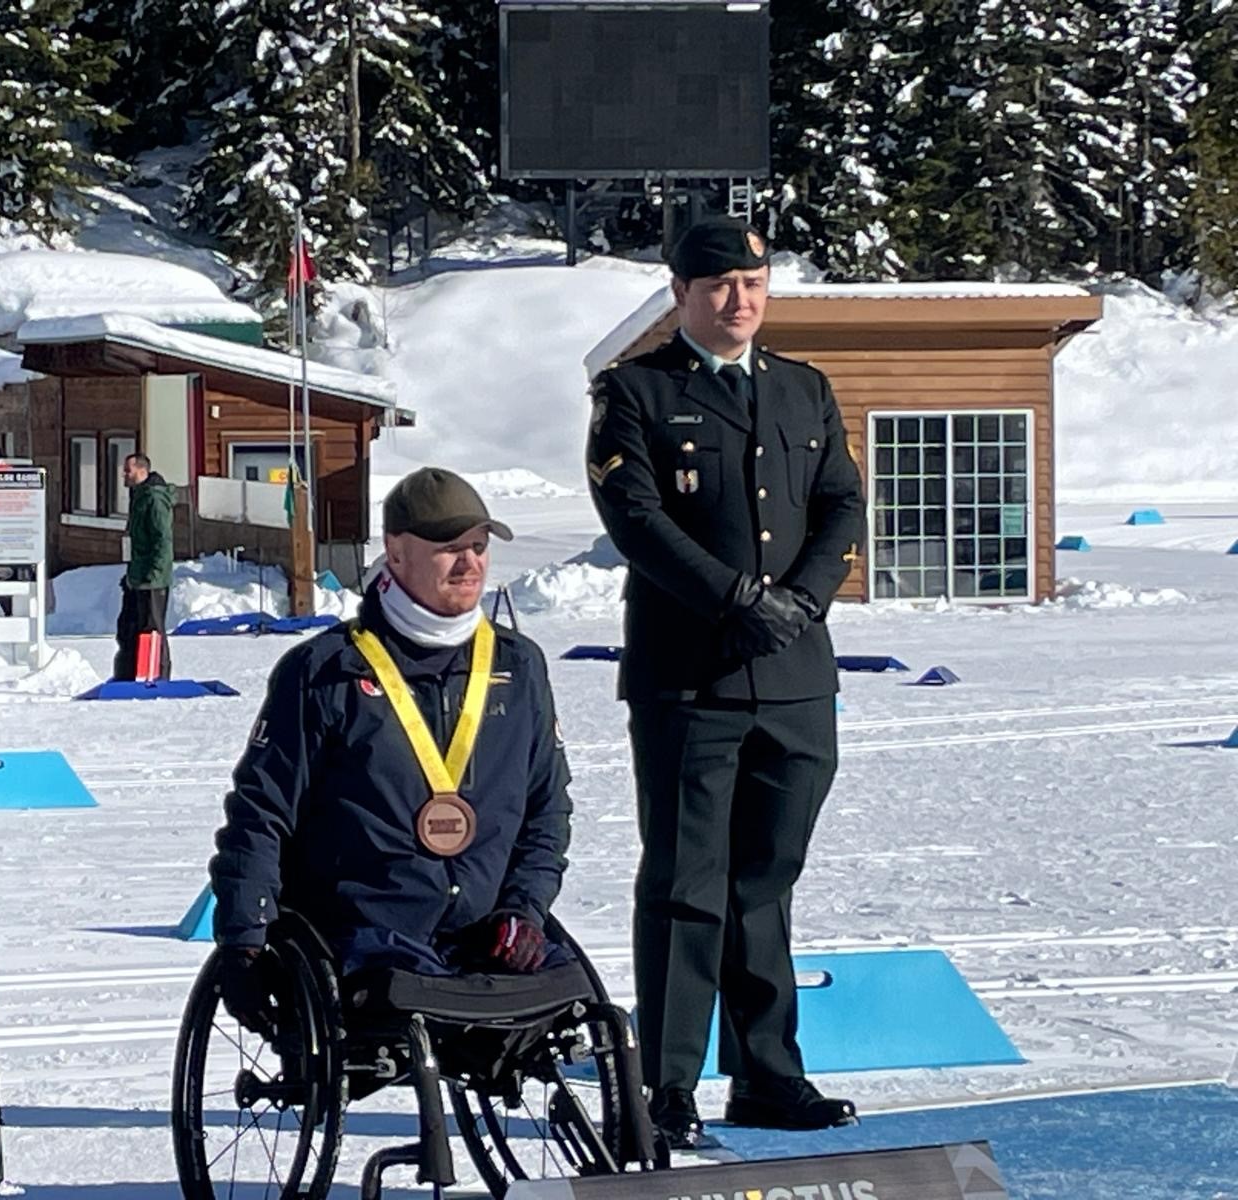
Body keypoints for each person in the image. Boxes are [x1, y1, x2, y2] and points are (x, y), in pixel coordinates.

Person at [585, 216, 866, 1148]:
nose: (736, 299)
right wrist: (735, 598)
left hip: (792, 677)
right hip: (690, 677)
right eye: (716, 286)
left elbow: (839, 503)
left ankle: (766, 1075)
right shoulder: (635, 391)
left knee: (766, 882)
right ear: (679, 293)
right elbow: (636, 518)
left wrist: (804, 600)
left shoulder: (803, 388)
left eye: (751, 282)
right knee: (684, 883)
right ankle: (663, 1087)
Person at [209, 467, 574, 1026]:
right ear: (396, 553)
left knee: (590, 1012)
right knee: (412, 1004)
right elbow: (261, 814)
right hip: (365, 935)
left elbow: (547, 809)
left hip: (485, 929)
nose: (470, 563)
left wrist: (523, 910)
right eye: (450, 548)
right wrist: (244, 941)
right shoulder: (324, 671)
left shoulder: (518, 666)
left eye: (478, 547)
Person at [112, 453, 174, 681]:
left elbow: (162, 540)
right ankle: (127, 673)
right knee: (128, 625)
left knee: (153, 626)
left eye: (127, 470)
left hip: (152, 578)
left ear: (141, 470)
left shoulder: (154, 499)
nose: (124, 475)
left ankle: (158, 674)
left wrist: (154, 574)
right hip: (136, 574)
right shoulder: (137, 495)